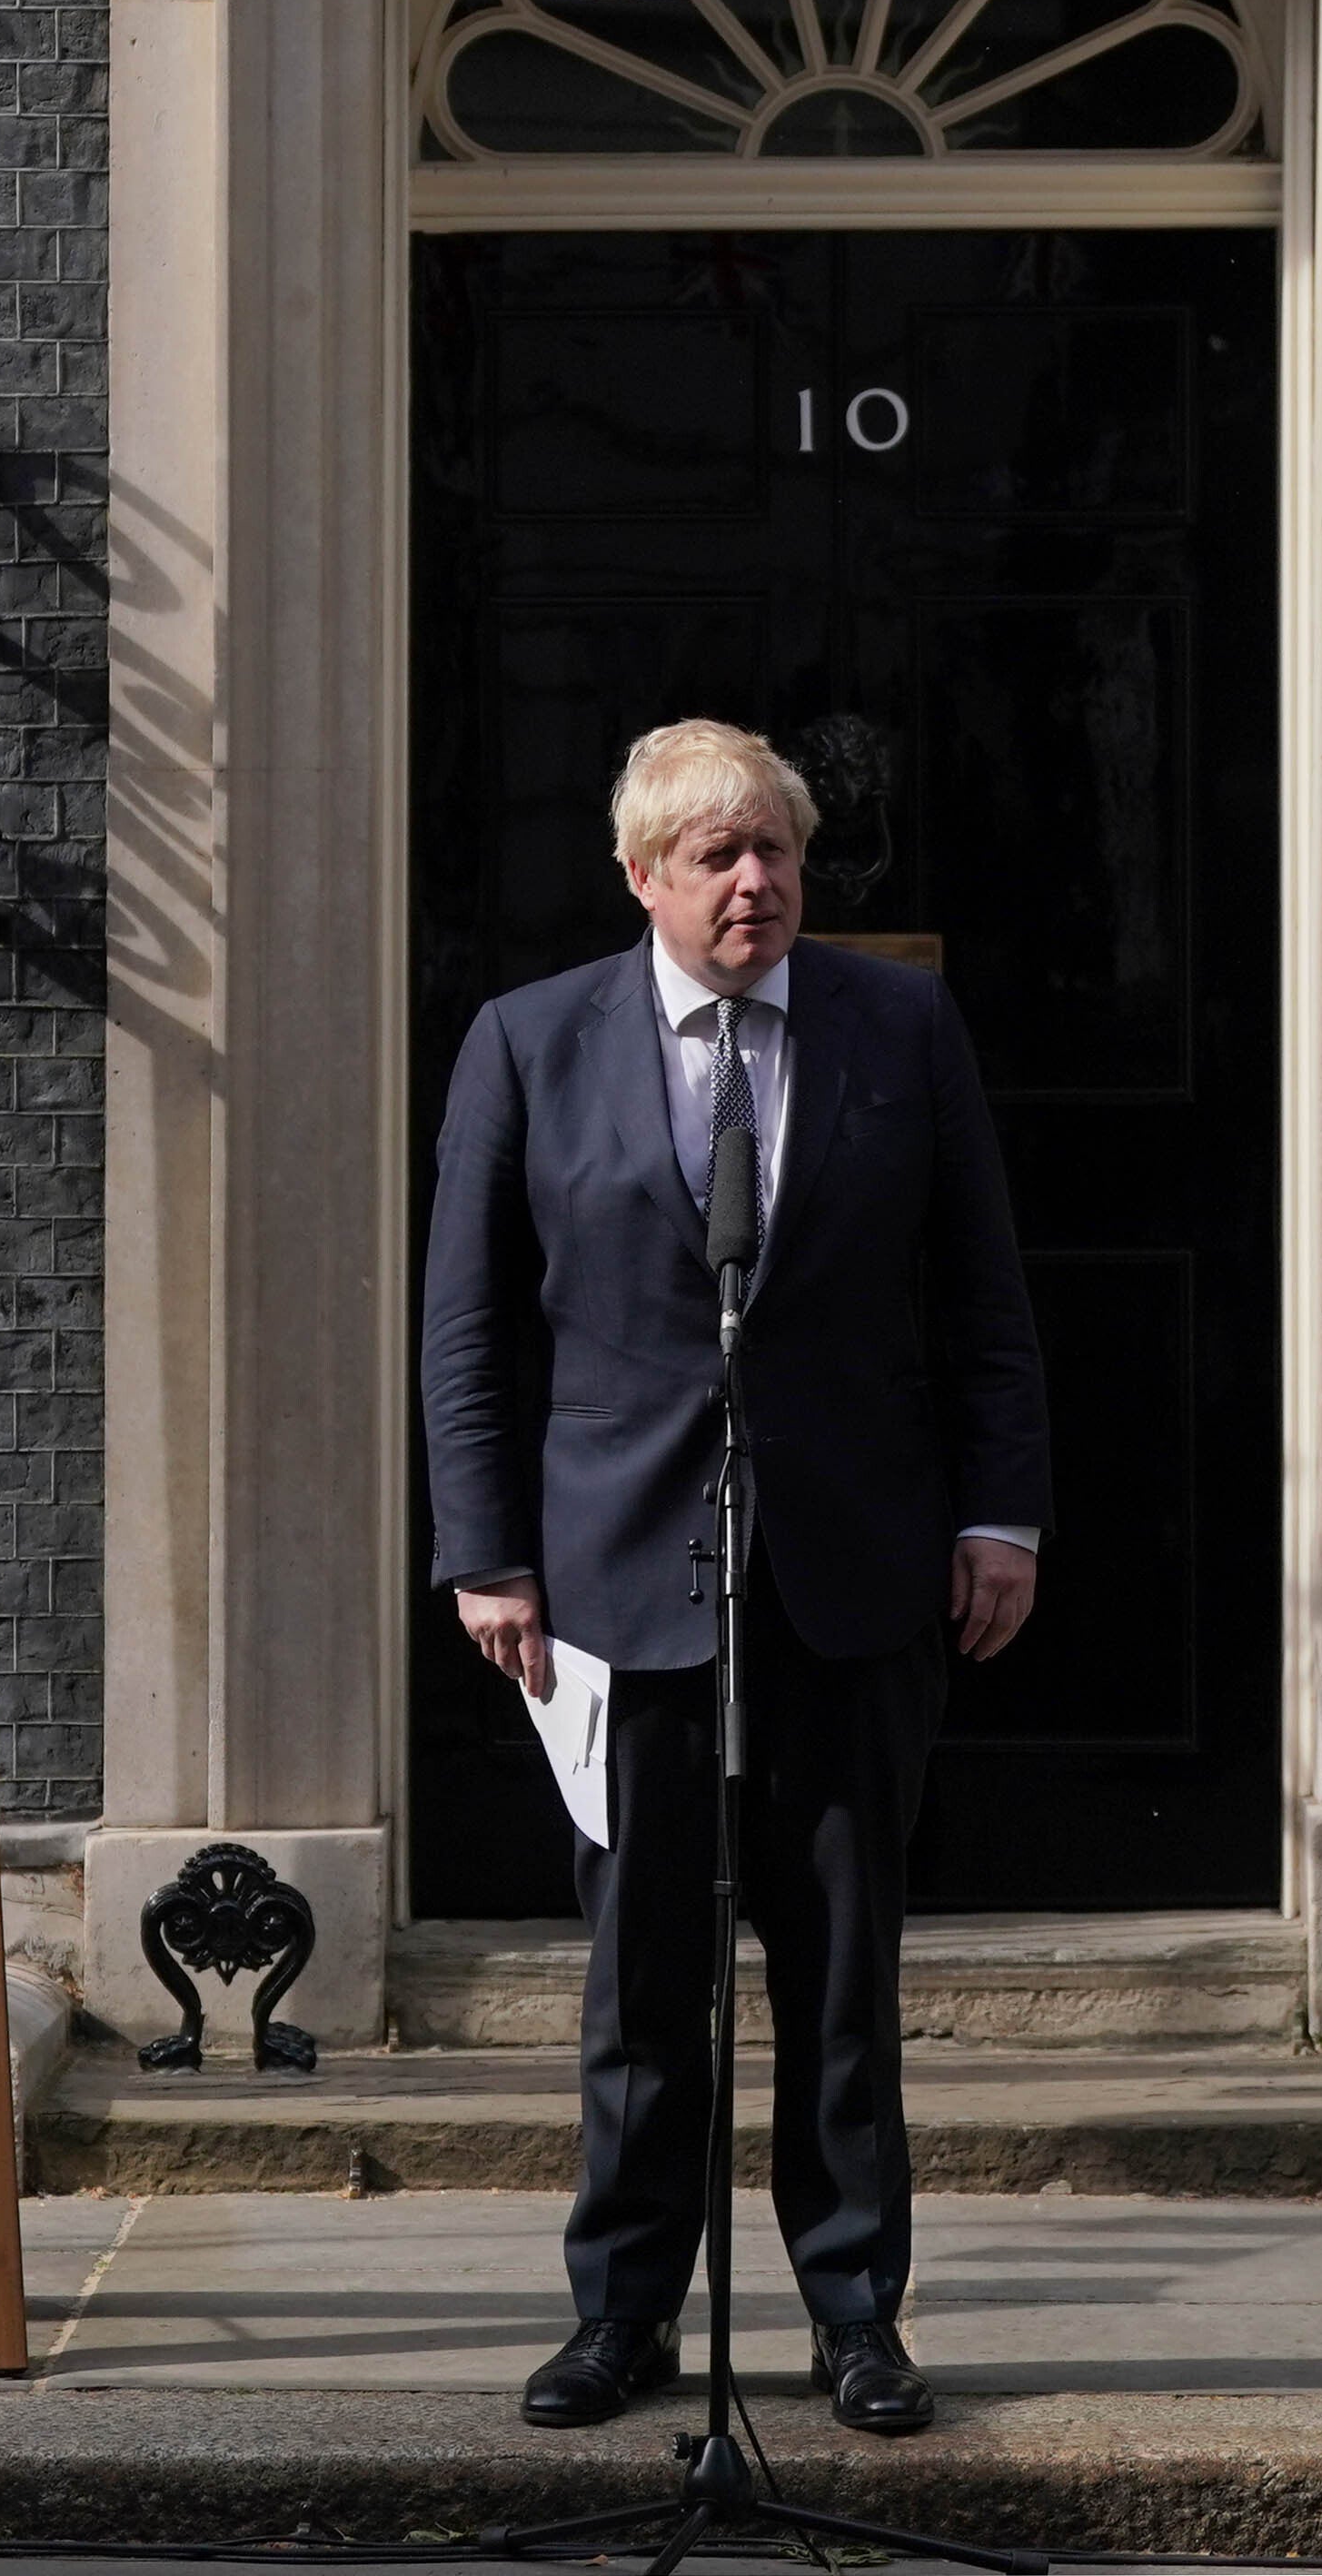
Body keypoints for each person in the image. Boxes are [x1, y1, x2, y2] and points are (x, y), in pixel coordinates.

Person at [418, 718, 1049, 2439]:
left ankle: (858, 2317)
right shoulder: (531, 1043)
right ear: (642, 879)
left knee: (844, 1977)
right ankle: (621, 2313)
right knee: (641, 1985)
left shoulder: (894, 1027)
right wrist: (487, 1554)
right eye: (715, 856)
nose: (755, 880)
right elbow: (469, 1329)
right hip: (619, 1583)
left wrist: (1004, 1517)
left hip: (849, 1577)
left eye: (773, 848)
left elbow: (984, 1297)